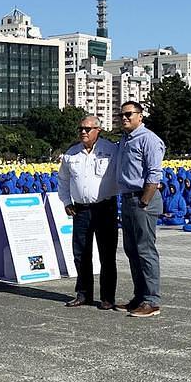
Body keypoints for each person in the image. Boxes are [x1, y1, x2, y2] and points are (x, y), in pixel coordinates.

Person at [56, 115, 119, 310]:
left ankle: (107, 297)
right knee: (81, 253)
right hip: (81, 209)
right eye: (81, 128)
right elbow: (63, 180)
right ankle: (84, 294)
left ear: (98, 130)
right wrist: (66, 201)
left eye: (87, 129)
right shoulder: (71, 154)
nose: (83, 132)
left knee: (106, 254)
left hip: (105, 208)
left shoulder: (111, 150)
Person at [115, 101, 166, 318]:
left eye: (129, 114)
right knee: (132, 250)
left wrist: (144, 201)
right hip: (128, 198)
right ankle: (139, 296)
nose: (124, 118)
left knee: (145, 250)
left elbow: (154, 173)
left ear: (140, 116)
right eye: (121, 115)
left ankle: (151, 300)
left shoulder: (149, 139)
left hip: (143, 198)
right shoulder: (125, 140)